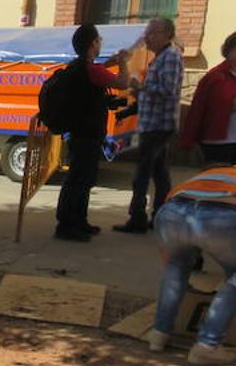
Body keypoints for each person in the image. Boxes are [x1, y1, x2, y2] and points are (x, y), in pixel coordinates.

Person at [146, 163, 236, 365]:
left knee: (176, 267)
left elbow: (167, 259)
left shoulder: (215, 174)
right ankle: (207, 345)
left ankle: (159, 334)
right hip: (224, 218)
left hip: (172, 212)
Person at [53, 24, 130, 242]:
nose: (101, 43)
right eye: (98, 40)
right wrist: (123, 63)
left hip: (81, 132)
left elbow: (95, 76)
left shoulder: (80, 67)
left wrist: (109, 64)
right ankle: (67, 225)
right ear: (93, 44)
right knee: (79, 179)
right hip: (87, 133)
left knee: (82, 179)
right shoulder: (91, 70)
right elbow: (122, 82)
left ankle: (78, 221)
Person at [115, 17, 185, 234]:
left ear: (166, 34)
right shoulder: (161, 57)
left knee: (142, 173)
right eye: (147, 32)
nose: (147, 37)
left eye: (152, 33)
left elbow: (167, 89)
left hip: (158, 124)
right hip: (153, 123)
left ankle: (137, 218)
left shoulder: (171, 56)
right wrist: (139, 92)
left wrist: (141, 86)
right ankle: (160, 217)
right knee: (159, 173)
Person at [181, 31, 236, 166]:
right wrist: (189, 142)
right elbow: (197, 110)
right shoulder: (215, 77)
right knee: (216, 184)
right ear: (229, 51)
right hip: (218, 143)